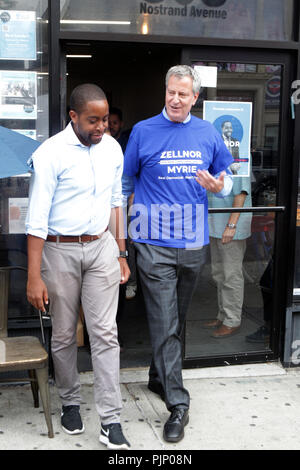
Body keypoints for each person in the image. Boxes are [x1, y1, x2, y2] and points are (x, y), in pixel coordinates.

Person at [123, 65, 234, 443]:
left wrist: (219, 185)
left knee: (177, 319)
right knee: (166, 320)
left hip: (192, 242)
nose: (175, 99)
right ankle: (178, 404)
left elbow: (226, 178)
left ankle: (158, 377)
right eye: (171, 92)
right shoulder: (142, 131)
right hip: (153, 242)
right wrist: (125, 239)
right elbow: (126, 183)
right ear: (165, 92)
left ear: (194, 98)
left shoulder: (207, 133)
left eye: (183, 94)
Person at [25, 83, 131, 450]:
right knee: (65, 334)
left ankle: (111, 419)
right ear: (73, 117)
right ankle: (70, 401)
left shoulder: (113, 149)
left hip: (101, 246)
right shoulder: (50, 153)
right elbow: (36, 219)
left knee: (105, 333)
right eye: (93, 120)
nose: (102, 127)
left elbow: (117, 202)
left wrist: (121, 252)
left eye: (105, 119)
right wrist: (33, 275)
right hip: (59, 250)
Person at [205, 175, 252, 338]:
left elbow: (241, 194)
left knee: (231, 275)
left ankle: (232, 320)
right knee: (219, 274)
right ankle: (223, 315)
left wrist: (231, 226)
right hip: (215, 224)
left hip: (230, 227)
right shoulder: (215, 153)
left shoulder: (239, 153)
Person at [109, 107, 137, 300]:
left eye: (114, 122)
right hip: (105, 203)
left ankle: (131, 282)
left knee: (128, 244)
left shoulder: (128, 144)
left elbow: (136, 174)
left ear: (122, 124)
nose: (110, 125)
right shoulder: (98, 142)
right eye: (107, 122)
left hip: (127, 200)